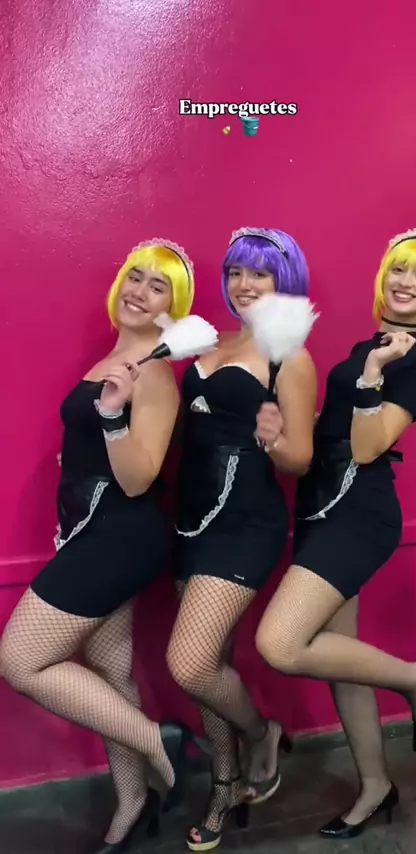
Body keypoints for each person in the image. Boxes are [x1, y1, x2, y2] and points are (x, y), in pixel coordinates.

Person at [254, 228, 416, 838]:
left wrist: (372, 372)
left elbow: (369, 446)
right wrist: (288, 425)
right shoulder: (369, 347)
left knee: (280, 644)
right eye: (399, 268)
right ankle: (376, 787)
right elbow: (338, 428)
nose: (405, 281)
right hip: (318, 506)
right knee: (342, 664)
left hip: (359, 515)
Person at [0, 238, 195, 853]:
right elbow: (102, 451)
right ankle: (133, 804)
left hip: (120, 537)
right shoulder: (115, 357)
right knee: (110, 672)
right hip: (89, 529)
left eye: (158, 286)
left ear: (173, 307)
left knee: (19, 660)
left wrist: (110, 418)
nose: (140, 292)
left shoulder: (154, 372)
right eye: (135, 277)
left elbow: (139, 478)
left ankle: (161, 742)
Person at [165, 227, 318, 851]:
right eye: (235, 272)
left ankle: (260, 734)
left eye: (259, 273)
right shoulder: (212, 340)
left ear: (286, 281)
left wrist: (274, 439)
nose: (244, 284)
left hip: (246, 523)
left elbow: (300, 459)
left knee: (190, 662)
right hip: (191, 516)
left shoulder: (291, 357)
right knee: (212, 664)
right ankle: (225, 784)